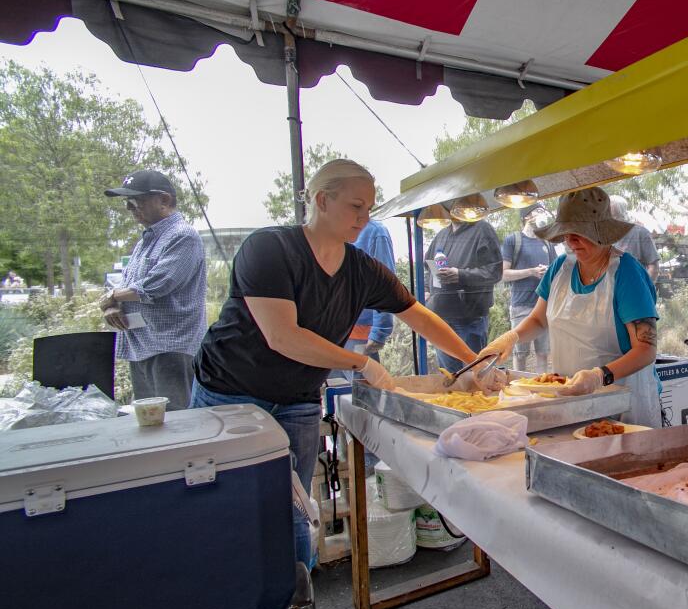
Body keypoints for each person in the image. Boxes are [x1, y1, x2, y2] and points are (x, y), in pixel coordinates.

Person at [190, 159, 496, 568]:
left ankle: (294, 601)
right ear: (321, 200)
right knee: (224, 503)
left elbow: (418, 314)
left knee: (292, 504)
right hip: (228, 394)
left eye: (369, 208)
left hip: (297, 400)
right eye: (356, 206)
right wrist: (361, 362)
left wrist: (474, 361)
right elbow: (283, 336)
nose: (364, 217)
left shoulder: (361, 268)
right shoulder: (269, 248)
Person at [478, 188, 661, 427]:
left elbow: (646, 349)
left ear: (602, 233)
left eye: (579, 233)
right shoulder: (560, 268)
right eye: (565, 233)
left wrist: (598, 376)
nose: (570, 240)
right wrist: (511, 338)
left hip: (624, 402)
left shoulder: (627, 273)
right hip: (570, 401)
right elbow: (538, 320)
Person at [101, 170, 206, 410]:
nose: (129, 207)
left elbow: (158, 285)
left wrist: (111, 297)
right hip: (141, 345)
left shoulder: (183, 236)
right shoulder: (146, 240)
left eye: (136, 200)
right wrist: (113, 304)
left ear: (164, 200)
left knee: (175, 424)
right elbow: (126, 285)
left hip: (170, 347)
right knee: (151, 423)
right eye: (127, 202)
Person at [424, 209, 503, 371]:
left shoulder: (482, 230)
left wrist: (461, 275)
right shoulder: (441, 235)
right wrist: (426, 289)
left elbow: (494, 272)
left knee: (475, 373)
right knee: (450, 375)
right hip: (442, 318)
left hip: (470, 318)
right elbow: (428, 266)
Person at [332, 219, 396, 383]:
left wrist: (380, 331)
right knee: (336, 392)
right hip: (328, 333)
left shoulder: (375, 232)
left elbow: (386, 286)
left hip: (359, 334)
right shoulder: (329, 233)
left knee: (363, 396)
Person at [501, 204, 556, 373]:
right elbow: (503, 274)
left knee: (543, 353)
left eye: (541, 211)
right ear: (526, 216)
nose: (540, 215)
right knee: (520, 353)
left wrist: (547, 273)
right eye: (537, 211)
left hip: (544, 305)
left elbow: (556, 270)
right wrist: (531, 271)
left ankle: (540, 388)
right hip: (521, 306)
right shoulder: (513, 240)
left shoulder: (547, 243)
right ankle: (520, 388)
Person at [610, 195, 660, 281]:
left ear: (622, 215)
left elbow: (654, 267)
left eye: (613, 216)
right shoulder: (603, 236)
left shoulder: (641, 233)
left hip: (634, 288)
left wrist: (644, 288)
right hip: (609, 291)